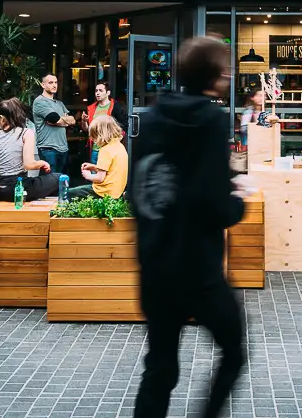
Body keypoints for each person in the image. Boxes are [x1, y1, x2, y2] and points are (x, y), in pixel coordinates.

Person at [132, 36, 251, 418]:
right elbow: (212, 203)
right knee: (232, 350)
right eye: (227, 70)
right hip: (198, 269)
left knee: (161, 367)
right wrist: (237, 202)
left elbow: (140, 189)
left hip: (154, 263)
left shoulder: (150, 118)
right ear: (215, 76)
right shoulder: (212, 121)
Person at [0, 98, 52, 228]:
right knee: (58, 178)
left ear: (2, 118)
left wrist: (4, 169)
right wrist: (42, 162)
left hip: (0, 189)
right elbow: (29, 164)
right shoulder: (25, 133)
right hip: (20, 187)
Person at [69, 115, 129, 200]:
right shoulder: (119, 146)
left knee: (68, 193)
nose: (92, 140)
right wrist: (94, 167)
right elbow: (111, 170)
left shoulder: (105, 150)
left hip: (104, 192)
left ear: (101, 135)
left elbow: (100, 178)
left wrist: (88, 175)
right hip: (116, 192)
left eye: (94, 136)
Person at [32, 73, 76, 176]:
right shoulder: (40, 101)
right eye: (50, 82)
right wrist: (62, 120)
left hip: (63, 148)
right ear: (43, 85)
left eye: (56, 82)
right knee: (49, 183)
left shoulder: (59, 104)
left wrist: (61, 121)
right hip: (48, 148)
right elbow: (54, 119)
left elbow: (73, 120)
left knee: (61, 182)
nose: (54, 85)